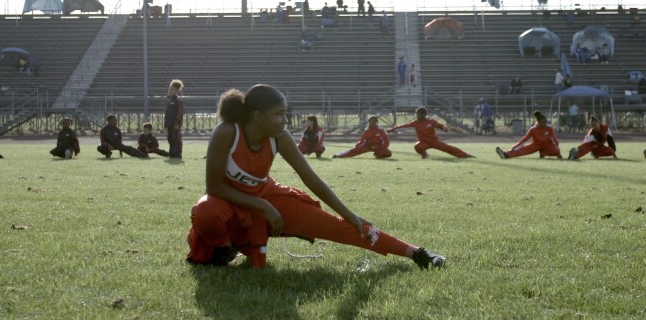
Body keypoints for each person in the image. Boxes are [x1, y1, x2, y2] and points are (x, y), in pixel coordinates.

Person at [186, 84, 445, 269]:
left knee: (340, 227)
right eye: (279, 113)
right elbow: (214, 186)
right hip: (229, 202)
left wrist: (349, 214)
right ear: (258, 115)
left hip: (267, 196)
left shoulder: (280, 137)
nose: (285, 120)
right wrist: (263, 206)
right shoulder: (226, 132)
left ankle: (416, 253)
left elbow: (311, 179)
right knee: (206, 213)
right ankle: (226, 246)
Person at [388, 106, 474, 159]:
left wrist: (445, 128)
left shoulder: (431, 122)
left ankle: (465, 155)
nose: (417, 116)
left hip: (434, 142)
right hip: (423, 142)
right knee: (417, 146)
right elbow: (404, 126)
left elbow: (440, 126)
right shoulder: (415, 122)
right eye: (416, 114)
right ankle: (425, 155)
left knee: (448, 148)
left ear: (424, 114)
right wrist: (393, 129)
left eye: (418, 114)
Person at [496, 111, 561, 159]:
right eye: (544, 122)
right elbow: (524, 140)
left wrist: (557, 147)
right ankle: (506, 154)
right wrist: (515, 148)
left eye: (546, 121)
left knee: (556, 151)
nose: (545, 123)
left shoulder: (549, 128)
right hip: (536, 145)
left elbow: (554, 138)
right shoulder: (533, 129)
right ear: (539, 122)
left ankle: (543, 153)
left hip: (547, 144)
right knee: (523, 150)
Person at [165, 79, 184, 159]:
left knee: (176, 138)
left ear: (176, 91)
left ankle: (177, 154)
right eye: (170, 89)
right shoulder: (170, 100)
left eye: (172, 89)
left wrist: (177, 123)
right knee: (170, 138)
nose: (170, 90)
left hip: (175, 124)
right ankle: (172, 152)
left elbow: (179, 113)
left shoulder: (177, 100)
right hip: (169, 124)